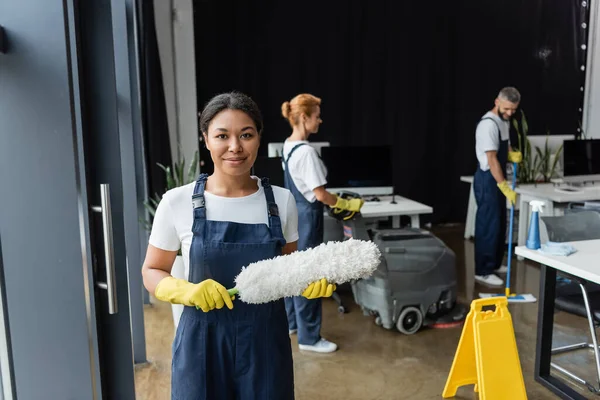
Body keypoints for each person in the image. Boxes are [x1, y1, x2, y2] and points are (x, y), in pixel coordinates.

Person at [141, 92, 336, 400]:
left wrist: (306, 282)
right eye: (222, 136)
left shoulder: (282, 202)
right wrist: (185, 291)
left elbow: (290, 269)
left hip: (265, 345)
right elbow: (152, 270)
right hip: (201, 346)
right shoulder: (177, 201)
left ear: (258, 138)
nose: (235, 147)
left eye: (246, 135)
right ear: (206, 139)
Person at [280, 93, 364, 353]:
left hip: (293, 217)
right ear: (304, 117)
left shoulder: (289, 145)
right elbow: (321, 195)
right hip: (307, 218)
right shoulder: (306, 152)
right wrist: (346, 205)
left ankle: (292, 325)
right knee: (309, 276)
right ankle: (310, 339)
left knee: (295, 272)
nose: (320, 120)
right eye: (317, 115)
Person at [473, 87, 523, 287]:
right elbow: (492, 159)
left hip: (497, 177)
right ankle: (482, 270)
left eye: (513, 109)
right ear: (497, 102)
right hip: (488, 178)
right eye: (507, 108)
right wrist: (503, 185)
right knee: (488, 225)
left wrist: (511, 154)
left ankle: (493, 263)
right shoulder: (488, 125)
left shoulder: (504, 121)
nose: (510, 113)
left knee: (499, 223)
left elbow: (506, 146)